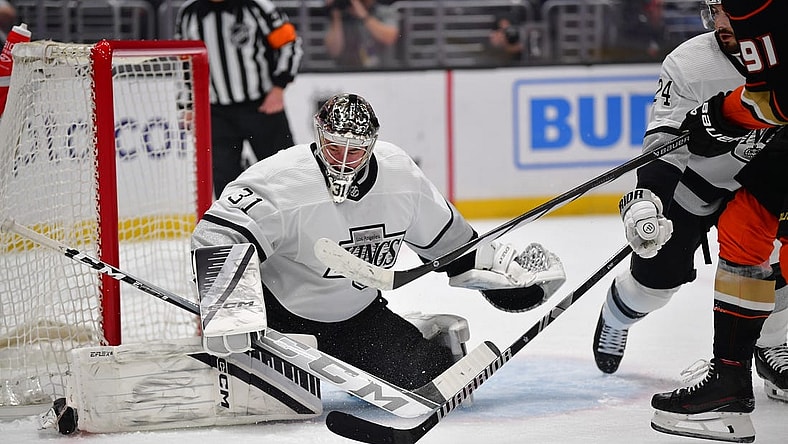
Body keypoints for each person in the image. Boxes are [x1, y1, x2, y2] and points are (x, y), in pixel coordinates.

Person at [190, 93, 567, 390]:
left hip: (358, 318)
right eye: (334, 147)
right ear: (318, 137)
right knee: (278, 403)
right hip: (283, 322)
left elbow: (452, 248)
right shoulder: (281, 180)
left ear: (372, 145)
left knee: (428, 380)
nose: (343, 161)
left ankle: (427, 333)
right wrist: (230, 313)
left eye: (354, 150)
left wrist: (504, 280)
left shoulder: (400, 176)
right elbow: (215, 236)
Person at [593, 0, 788, 403]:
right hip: (696, 186)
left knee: (770, 267)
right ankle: (619, 312)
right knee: (653, 285)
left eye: (732, 9)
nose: (724, 21)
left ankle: (771, 347)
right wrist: (648, 199)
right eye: (717, 9)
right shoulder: (689, 62)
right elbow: (665, 141)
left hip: (764, 186)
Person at [175, 0, 303, 197]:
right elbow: (185, 62)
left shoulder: (258, 7)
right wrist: (187, 105)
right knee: (226, 185)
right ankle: (235, 228)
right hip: (216, 113)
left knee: (285, 174)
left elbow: (290, 44)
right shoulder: (189, 13)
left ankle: (297, 225)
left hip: (261, 107)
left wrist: (279, 87)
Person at [323, 0, 399, 69]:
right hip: (348, 74)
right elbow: (333, 50)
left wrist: (364, 16)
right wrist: (336, 14)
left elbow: (390, 38)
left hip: (380, 74)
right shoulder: (340, 14)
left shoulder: (383, 11)